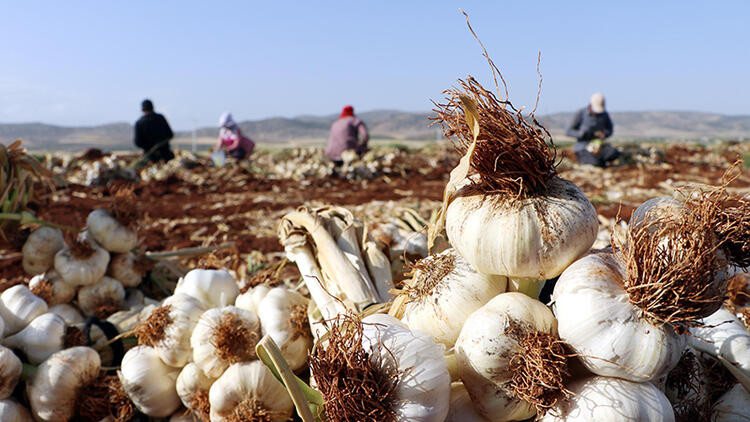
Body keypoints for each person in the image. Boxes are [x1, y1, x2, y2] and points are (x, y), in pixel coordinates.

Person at [566, 93, 619, 167]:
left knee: (614, 153)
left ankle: (599, 160)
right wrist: (583, 134)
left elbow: (610, 129)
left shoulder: (604, 115)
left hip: (599, 146)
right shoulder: (581, 113)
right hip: (584, 147)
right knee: (595, 163)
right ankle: (595, 161)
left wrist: (605, 134)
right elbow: (568, 131)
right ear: (591, 105)